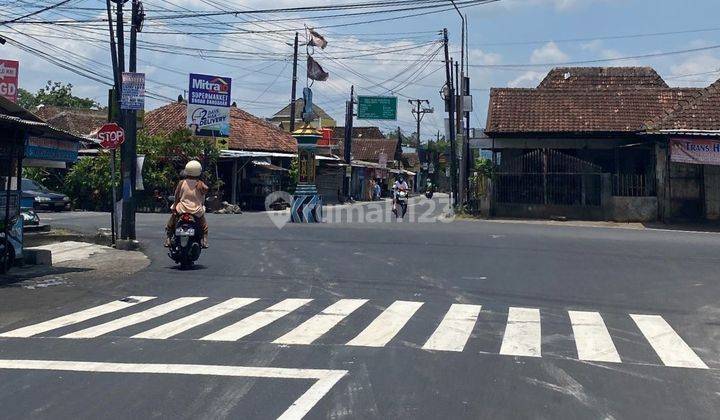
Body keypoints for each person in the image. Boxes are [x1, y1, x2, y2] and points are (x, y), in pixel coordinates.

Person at [165, 160, 209, 248]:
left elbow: (177, 196)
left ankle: (168, 238)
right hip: (196, 210)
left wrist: (174, 207)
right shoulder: (200, 184)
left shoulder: (181, 183)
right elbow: (206, 190)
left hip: (183, 209)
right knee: (204, 226)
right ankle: (204, 240)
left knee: (172, 221)